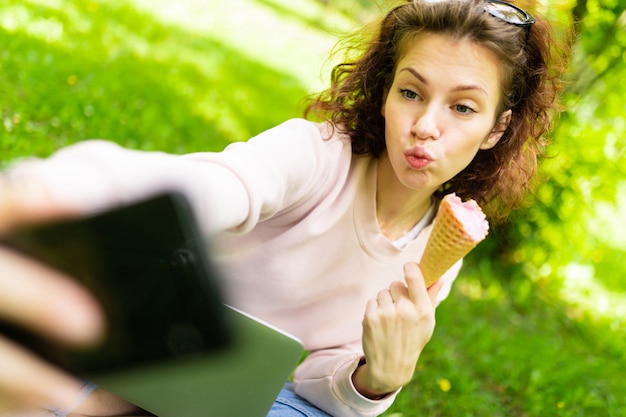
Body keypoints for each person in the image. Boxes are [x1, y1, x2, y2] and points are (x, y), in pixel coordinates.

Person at [0, 0, 566, 416]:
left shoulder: (440, 245)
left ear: (498, 129)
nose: (425, 126)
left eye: (463, 107)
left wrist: (374, 379)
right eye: (411, 92)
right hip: (158, 342)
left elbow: (321, 384)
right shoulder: (317, 153)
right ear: (385, 91)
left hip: (261, 398)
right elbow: (216, 184)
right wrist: (78, 185)